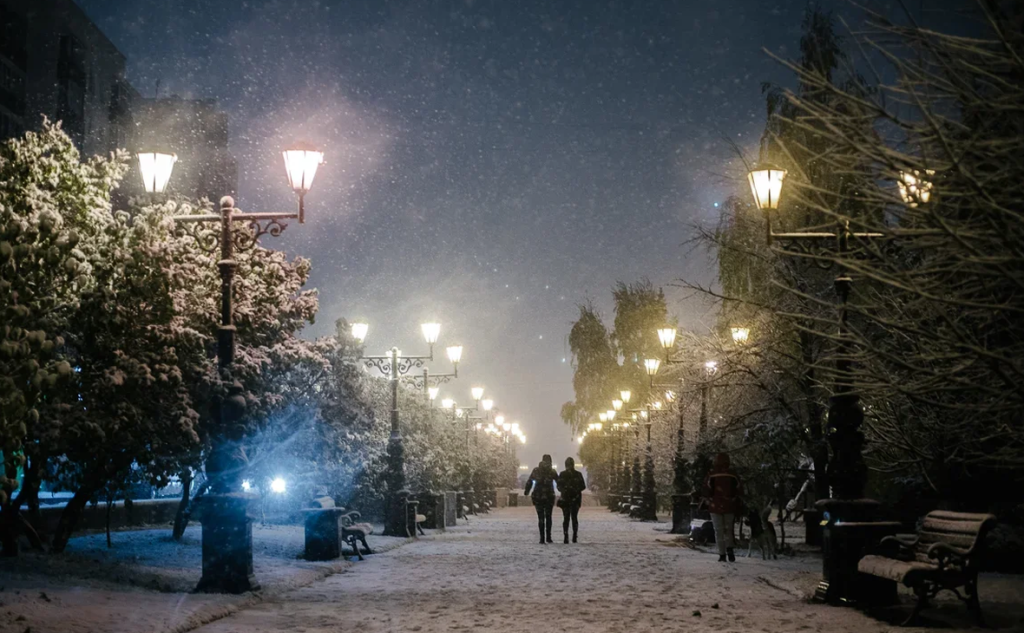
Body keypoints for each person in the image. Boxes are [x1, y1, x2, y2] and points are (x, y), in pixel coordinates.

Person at [702, 452, 742, 562]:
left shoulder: (712, 474)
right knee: (729, 529)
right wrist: (733, 498)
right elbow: (739, 489)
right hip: (729, 505)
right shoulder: (733, 474)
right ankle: (730, 549)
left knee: (718, 530)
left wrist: (710, 500)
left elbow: (706, 489)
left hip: (715, 506)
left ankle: (722, 554)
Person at [524, 454, 558, 544]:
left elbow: (530, 481)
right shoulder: (552, 471)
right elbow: (559, 482)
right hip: (549, 496)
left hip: (538, 496)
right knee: (548, 516)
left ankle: (542, 538)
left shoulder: (536, 470)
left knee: (541, 517)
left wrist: (527, 491)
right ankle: (548, 537)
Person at [557, 457, 586, 543]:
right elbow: (583, 486)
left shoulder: (562, 474)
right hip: (575, 499)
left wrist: (564, 490)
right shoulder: (578, 474)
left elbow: (558, 486)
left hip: (566, 499)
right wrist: (575, 490)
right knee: (574, 518)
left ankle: (566, 535)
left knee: (566, 518)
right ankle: (574, 535)